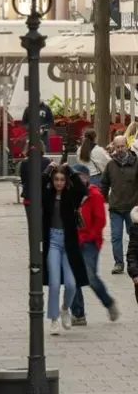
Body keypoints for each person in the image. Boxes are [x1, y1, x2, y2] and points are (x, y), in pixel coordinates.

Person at [68, 164, 119, 325]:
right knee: (73, 278)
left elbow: (100, 221)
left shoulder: (95, 195)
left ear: (87, 178)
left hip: (90, 242)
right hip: (73, 241)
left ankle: (108, 303)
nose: (78, 180)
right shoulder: (70, 195)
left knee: (90, 277)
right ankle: (78, 314)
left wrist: (89, 236)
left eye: (81, 176)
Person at [42, 162, 88, 335]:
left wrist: (72, 171)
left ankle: (64, 309)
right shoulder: (47, 195)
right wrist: (47, 171)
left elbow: (84, 190)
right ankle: (54, 318)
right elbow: (36, 187)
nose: (59, 183)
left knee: (71, 284)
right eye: (56, 179)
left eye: (62, 179)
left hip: (68, 243)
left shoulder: (70, 195)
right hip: (52, 241)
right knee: (54, 283)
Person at [100, 135, 138, 274]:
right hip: (115, 207)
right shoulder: (111, 165)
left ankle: (133, 263)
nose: (120, 149)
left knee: (133, 236)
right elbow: (104, 183)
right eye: (117, 147)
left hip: (132, 208)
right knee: (116, 237)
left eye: (122, 146)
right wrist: (103, 199)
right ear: (114, 147)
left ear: (127, 146)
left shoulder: (135, 162)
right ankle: (118, 263)